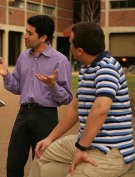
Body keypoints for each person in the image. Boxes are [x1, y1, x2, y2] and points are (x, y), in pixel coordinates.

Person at [28, 22, 135, 177]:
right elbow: (75, 108)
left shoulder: (107, 68)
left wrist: (81, 148)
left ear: (79, 50)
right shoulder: (87, 68)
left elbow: (100, 109)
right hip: (88, 142)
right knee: (41, 153)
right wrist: (49, 138)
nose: (69, 45)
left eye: (71, 42)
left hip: (112, 150)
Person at [0, 15, 73, 177]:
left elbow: (67, 98)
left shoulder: (60, 61)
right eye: (25, 31)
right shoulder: (23, 57)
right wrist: (6, 74)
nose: (25, 36)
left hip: (46, 118)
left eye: (30, 33)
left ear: (43, 37)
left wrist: (53, 85)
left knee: (44, 166)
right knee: (13, 165)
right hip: (23, 115)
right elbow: (17, 88)